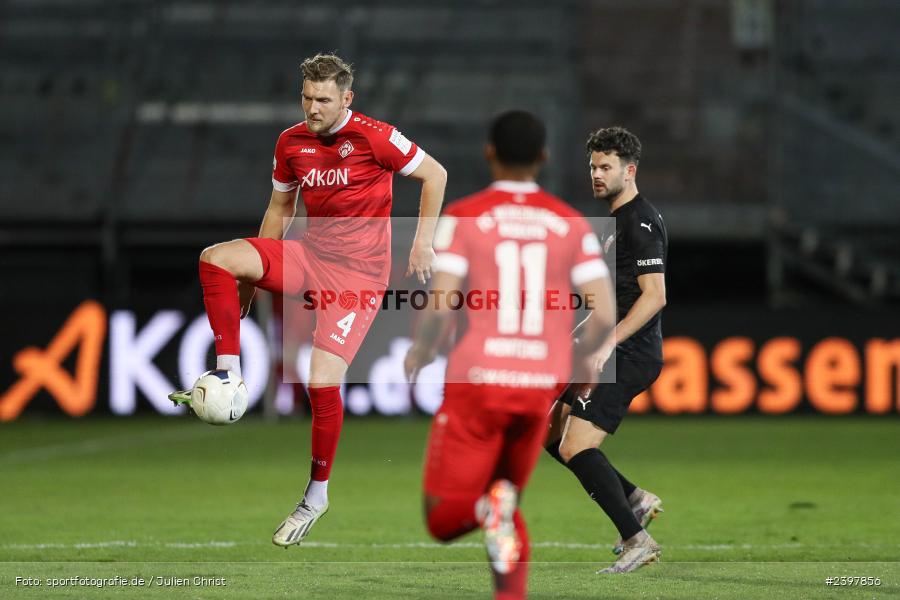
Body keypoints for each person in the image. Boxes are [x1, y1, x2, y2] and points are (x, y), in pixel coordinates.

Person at [169, 53, 447, 546]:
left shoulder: (375, 136)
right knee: (217, 258)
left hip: (358, 278)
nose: (313, 108)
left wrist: (424, 241)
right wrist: (253, 281)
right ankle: (229, 370)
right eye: (306, 97)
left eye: (323, 99)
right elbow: (279, 209)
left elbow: (436, 175)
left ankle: (316, 495)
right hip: (311, 256)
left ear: (346, 98)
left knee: (321, 383)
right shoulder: (290, 143)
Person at [404, 110, 615, 599]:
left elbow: (441, 302)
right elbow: (604, 315)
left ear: (489, 152)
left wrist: (423, 348)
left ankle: (486, 510)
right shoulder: (571, 223)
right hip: (539, 385)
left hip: (478, 380)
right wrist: (582, 368)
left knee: (445, 517)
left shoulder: (466, 215)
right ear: (543, 157)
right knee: (506, 498)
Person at [544, 126, 668, 573]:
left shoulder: (640, 221)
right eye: (593, 166)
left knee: (576, 446)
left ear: (629, 171)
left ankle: (638, 540)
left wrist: (606, 344)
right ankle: (634, 498)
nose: (596, 174)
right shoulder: (612, 224)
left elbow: (654, 296)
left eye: (606, 167)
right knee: (550, 433)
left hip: (629, 354)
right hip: (606, 348)